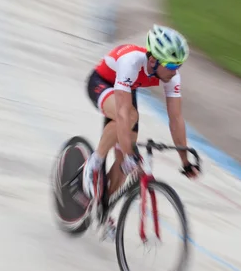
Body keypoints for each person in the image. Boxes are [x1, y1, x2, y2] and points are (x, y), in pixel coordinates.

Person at [83, 24, 200, 203]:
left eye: (179, 65)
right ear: (153, 60)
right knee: (128, 119)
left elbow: (175, 119)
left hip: (127, 89)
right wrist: (130, 154)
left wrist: (185, 161)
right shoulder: (131, 61)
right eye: (170, 65)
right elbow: (123, 114)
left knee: (125, 164)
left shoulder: (170, 75)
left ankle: (102, 208)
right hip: (102, 82)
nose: (175, 71)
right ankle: (94, 163)